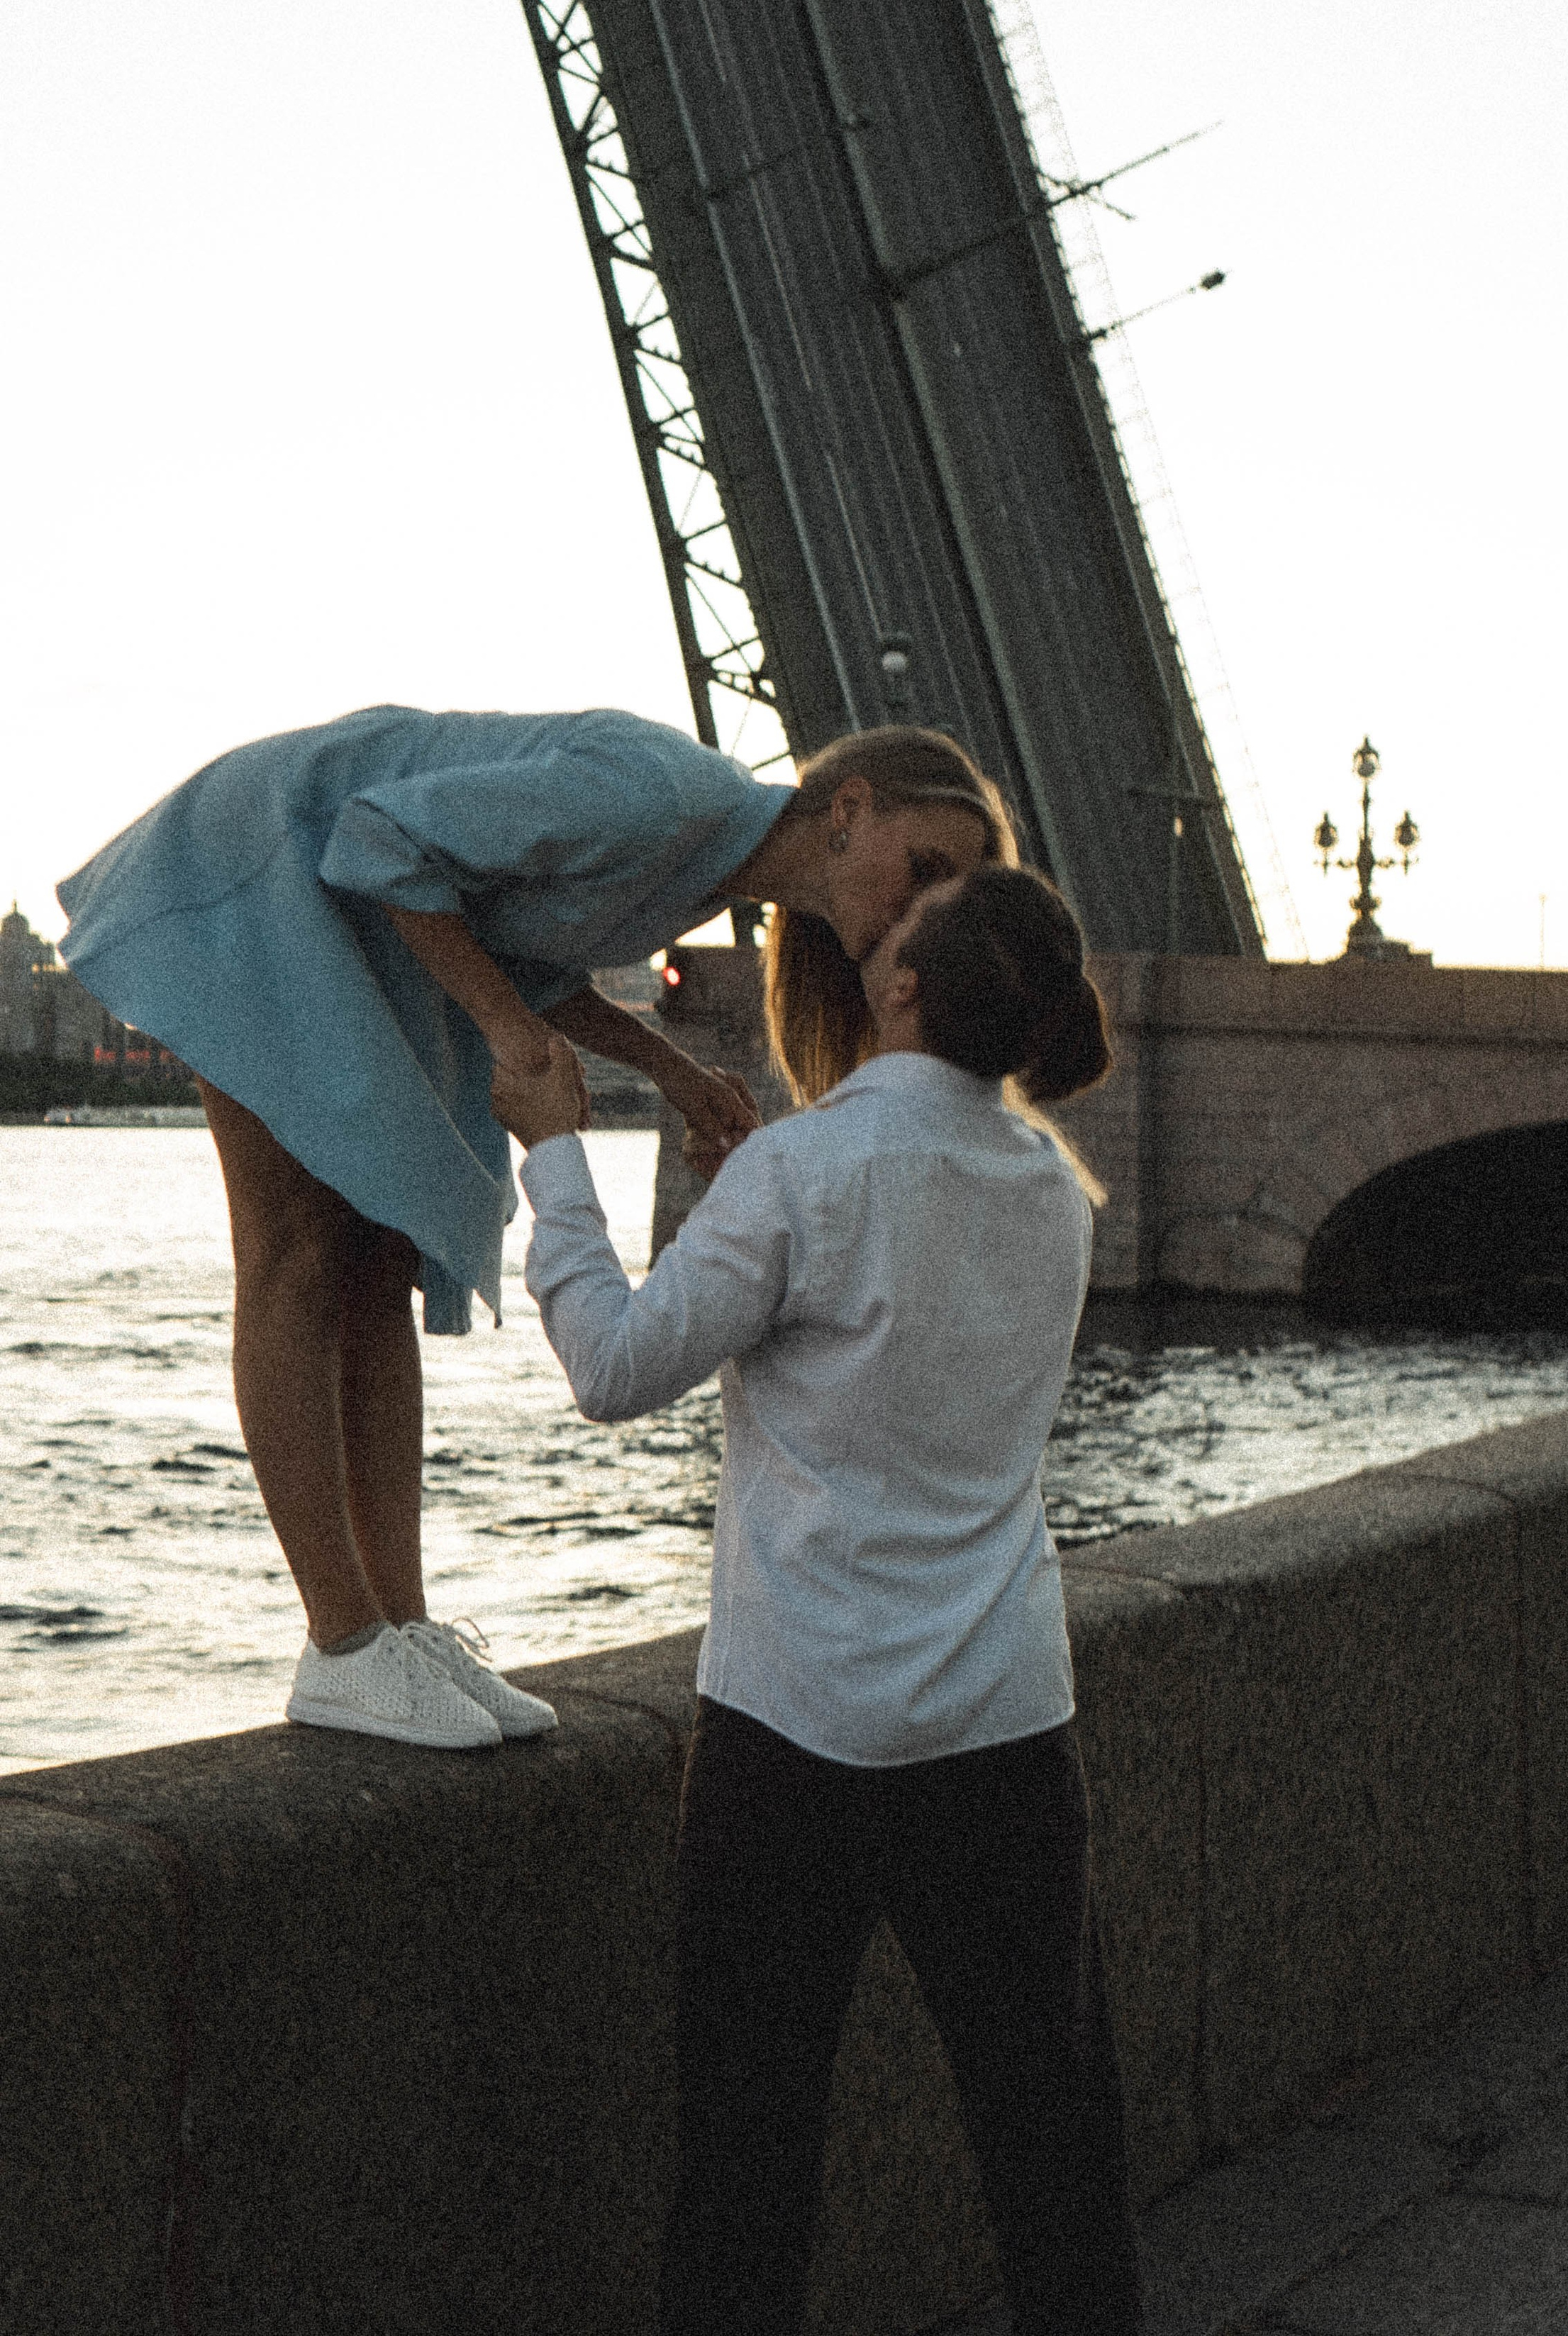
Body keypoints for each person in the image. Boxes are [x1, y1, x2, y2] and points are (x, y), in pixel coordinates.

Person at [56, 707, 1011, 1748]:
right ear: (851, 809)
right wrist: (507, 1034)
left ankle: (397, 1634)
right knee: (297, 1256)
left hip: (345, 911)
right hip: (265, 866)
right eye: (921, 868)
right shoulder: (665, 799)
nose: (920, 911)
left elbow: (520, 950)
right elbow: (377, 843)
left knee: (378, 1260)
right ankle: (340, 1644)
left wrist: (671, 1072)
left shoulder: (698, 864)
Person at [494, 863, 1142, 2335]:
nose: (872, 933)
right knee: (1051, 2150)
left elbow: (614, 1365)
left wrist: (553, 1159)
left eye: (897, 928)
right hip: (1000, 1719)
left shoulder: (805, 1170)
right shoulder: (1053, 1190)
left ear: (901, 987)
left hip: (795, 1728)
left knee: (745, 2153)